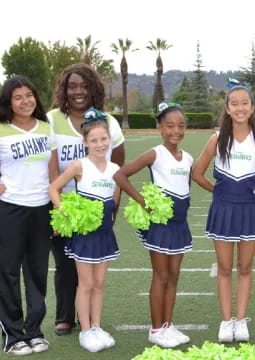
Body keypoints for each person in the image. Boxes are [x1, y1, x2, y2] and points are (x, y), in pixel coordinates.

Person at [48, 63, 125, 336]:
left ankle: (92, 323)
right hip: (67, 205)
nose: (78, 91)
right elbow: (52, 165)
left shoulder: (108, 121)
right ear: (64, 90)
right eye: (72, 86)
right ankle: (66, 317)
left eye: (84, 86)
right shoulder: (52, 118)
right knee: (65, 264)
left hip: (98, 206)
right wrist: (62, 212)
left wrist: (112, 206)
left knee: (94, 274)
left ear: (94, 89)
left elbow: (118, 165)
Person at [192, 79, 255, 343]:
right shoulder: (217, 139)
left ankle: (241, 319)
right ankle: (226, 321)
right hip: (223, 209)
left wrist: (247, 192)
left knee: (245, 267)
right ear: (226, 108)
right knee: (225, 267)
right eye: (234, 104)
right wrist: (219, 191)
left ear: (252, 107)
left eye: (244, 103)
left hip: (249, 210)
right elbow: (197, 173)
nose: (239, 108)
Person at [113, 103, 193, 348]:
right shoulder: (154, 153)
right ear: (160, 127)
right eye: (169, 126)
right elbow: (120, 175)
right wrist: (142, 201)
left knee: (174, 275)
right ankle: (156, 328)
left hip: (179, 224)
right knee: (160, 275)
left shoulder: (188, 158)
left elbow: (186, 189)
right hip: (159, 226)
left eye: (180, 126)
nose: (175, 131)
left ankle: (168, 325)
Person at [0, 76, 58, 355]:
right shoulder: (1, 129)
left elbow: (54, 173)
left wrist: (59, 209)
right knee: (8, 273)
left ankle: (34, 331)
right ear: (8, 102)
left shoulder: (46, 128)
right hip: (9, 209)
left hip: (41, 209)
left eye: (29, 95)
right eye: (18, 97)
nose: (25, 101)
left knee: (36, 273)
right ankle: (13, 336)